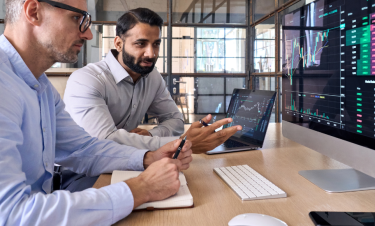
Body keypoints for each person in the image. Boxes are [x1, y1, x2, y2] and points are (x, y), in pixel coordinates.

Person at [0, 0, 193, 225]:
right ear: (34, 12)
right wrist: (141, 189)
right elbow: (12, 215)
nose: (88, 33)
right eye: (76, 19)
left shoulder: (40, 86)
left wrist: (147, 157)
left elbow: (83, 148)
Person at [64, 8, 243, 153]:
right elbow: (104, 141)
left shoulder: (152, 76)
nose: (151, 54)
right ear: (118, 44)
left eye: (156, 44)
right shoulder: (86, 80)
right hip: (81, 176)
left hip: (127, 163)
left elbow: (175, 120)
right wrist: (181, 143)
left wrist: (150, 136)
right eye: (140, 44)